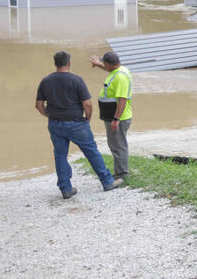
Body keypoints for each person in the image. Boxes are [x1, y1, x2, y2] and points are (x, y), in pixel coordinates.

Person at [35, 51, 121, 198]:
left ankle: (66, 189)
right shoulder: (76, 80)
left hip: (55, 124)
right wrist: (88, 118)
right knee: (91, 151)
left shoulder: (46, 81)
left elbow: (38, 105)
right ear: (69, 63)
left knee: (60, 155)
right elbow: (87, 104)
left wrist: (49, 115)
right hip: (77, 123)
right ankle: (107, 182)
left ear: (55, 64)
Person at [89, 51, 133, 181]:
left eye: (104, 63)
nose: (103, 65)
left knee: (118, 146)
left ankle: (122, 174)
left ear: (108, 64)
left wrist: (116, 119)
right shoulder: (120, 70)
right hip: (115, 117)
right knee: (116, 144)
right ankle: (120, 171)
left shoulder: (120, 78)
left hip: (119, 118)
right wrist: (98, 65)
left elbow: (122, 100)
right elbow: (111, 71)